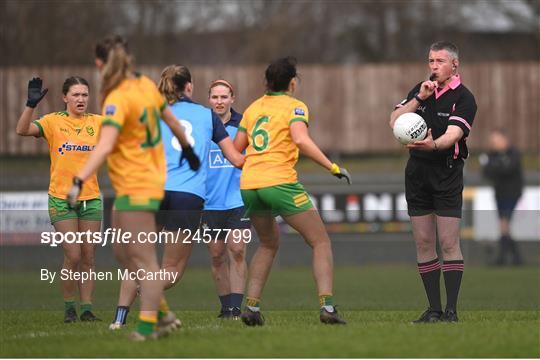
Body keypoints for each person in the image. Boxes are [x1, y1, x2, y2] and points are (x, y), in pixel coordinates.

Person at [67, 35, 200, 341]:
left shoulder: (119, 97)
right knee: (122, 253)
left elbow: (105, 145)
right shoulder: (143, 84)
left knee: (145, 259)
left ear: (100, 63)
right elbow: (171, 119)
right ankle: (164, 313)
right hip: (131, 184)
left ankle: (148, 326)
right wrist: (188, 150)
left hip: (141, 184)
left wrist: (79, 179)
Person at [108, 66, 244, 329]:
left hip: (152, 191)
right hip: (187, 196)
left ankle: (119, 318)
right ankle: (148, 294)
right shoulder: (207, 116)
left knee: (140, 259)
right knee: (171, 268)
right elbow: (236, 158)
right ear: (189, 87)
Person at [233, 57, 351, 326]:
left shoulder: (253, 108)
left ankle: (251, 307)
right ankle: (328, 308)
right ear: (292, 83)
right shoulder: (295, 107)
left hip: (250, 185)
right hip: (279, 182)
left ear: (267, 82)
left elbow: (237, 147)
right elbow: (300, 139)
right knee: (320, 242)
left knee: (267, 242)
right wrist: (332, 167)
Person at [389, 41, 477, 323]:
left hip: (446, 172)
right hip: (417, 173)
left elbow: (453, 134)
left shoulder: (464, 98)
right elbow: (394, 121)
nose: (434, 67)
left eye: (440, 61)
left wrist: (433, 146)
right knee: (424, 242)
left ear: (454, 64)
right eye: (430, 61)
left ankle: (451, 310)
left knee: (449, 242)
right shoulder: (421, 90)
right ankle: (434, 310)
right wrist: (419, 99)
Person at [16, 76, 103, 323]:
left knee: (89, 257)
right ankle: (68, 309)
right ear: (65, 97)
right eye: (76, 94)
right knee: (73, 255)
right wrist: (30, 105)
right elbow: (21, 130)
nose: (81, 99)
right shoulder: (53, 122)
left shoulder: (97, 123)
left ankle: (86, 310)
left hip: (91, 199)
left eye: (85, 95)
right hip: (61, 198)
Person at [203, 79, 250, 319]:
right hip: (209, 202)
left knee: (238, 249)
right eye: (215, 97)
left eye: (224, 97)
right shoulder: (201, 125)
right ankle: (225, 307)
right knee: (216, 254)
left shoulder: (244, 125)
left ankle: (235, 307)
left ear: (232, 98)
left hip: (238, 199)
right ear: (209, 99)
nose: (219, 102)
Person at [479, 129, 524, 266]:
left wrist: (494, 166)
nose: (494, 143)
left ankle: (502, 258)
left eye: (496, 140)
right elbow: (487, 173)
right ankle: (516, 258)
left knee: (504, 224)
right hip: (500, 193)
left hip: (512, 194)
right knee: (504, 226)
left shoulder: (514, 153)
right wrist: (496, 166)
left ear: (505, 140)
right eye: (492, 141)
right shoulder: (492, 155)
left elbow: (508, 169)